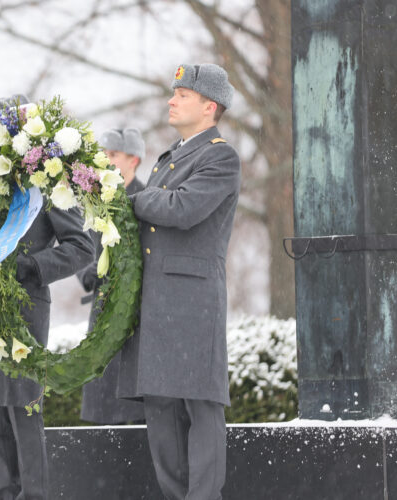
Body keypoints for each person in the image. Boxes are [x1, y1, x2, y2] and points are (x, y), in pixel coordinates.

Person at [0, 96, 94, 500]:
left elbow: (82, 247)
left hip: (25, 309)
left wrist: (32, 267)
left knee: (23, 413)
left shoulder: (46, 184)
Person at [117, 63, 241, 500]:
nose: (171, 100)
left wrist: (130, 190)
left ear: (210, 106)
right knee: (161, 408)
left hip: (192, 299)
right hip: (160, 299)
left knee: (200, 407)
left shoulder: (219, 155)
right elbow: (158, 208)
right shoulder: (173, 156)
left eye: (182, 95)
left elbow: (181, 209)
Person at [77, 127, 146, 426]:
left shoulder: (148, 200)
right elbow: (77, 246)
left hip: (137, 316)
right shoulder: (92, 202)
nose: (105, 160)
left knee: (133, 406)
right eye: (102, 154)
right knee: (101, 403)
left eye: (113, 155)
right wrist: (88, 271)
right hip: (100, 311)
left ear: (135, 160)